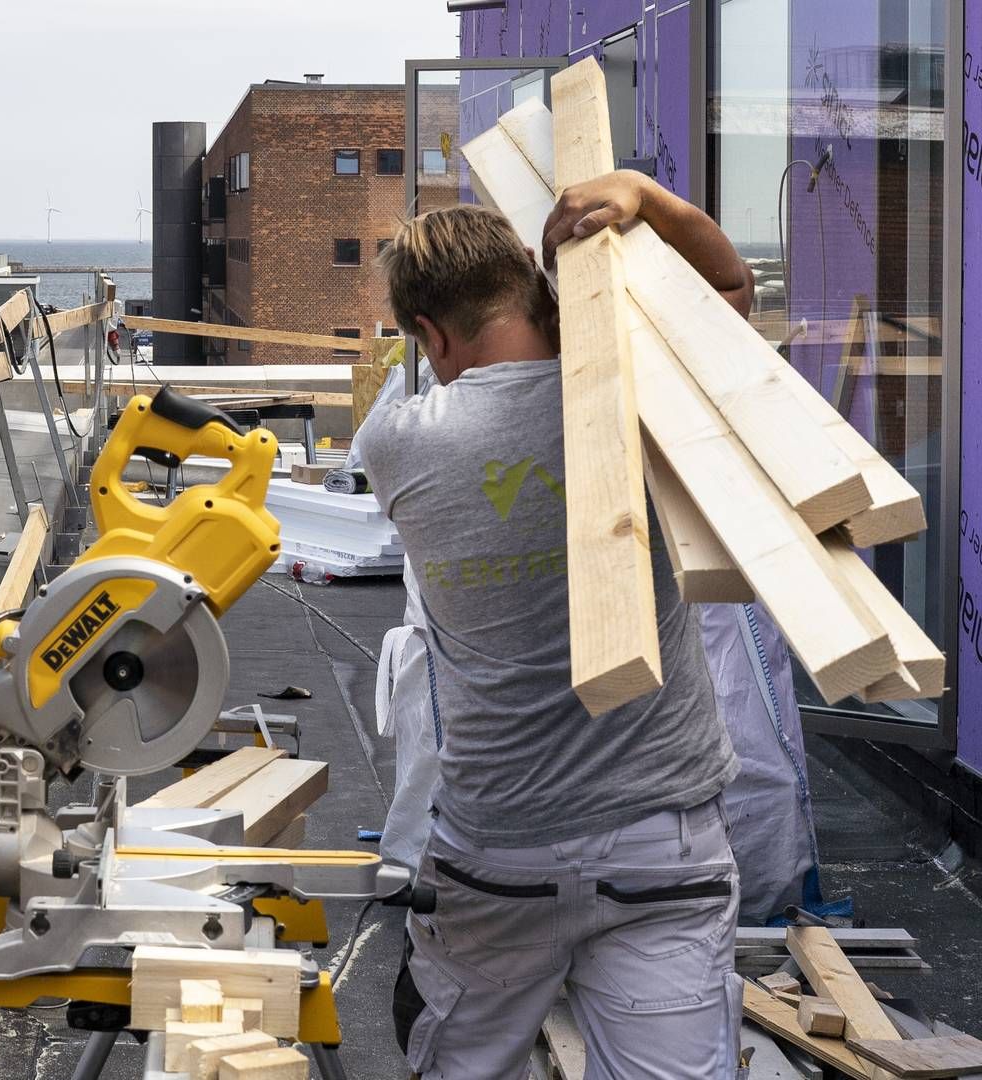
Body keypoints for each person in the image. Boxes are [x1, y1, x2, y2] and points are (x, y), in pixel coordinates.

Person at [356, 171, 754, 1080]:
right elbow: (730, 294)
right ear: (536, 289)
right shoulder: (642, 400)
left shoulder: (398, 446)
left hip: (499, 852)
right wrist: (648, 201)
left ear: (429, 335)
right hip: (664, 842)